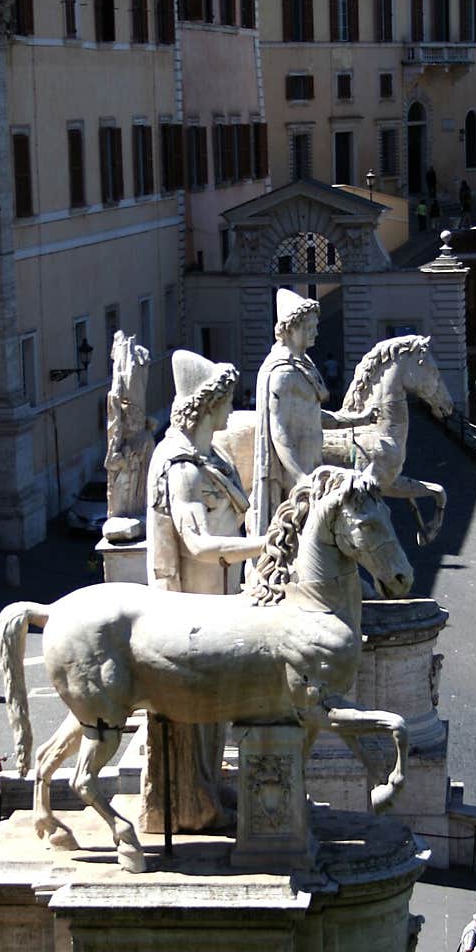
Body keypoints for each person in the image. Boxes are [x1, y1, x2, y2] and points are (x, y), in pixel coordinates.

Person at [142, 351, 265, 833]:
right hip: (193, 607)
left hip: (220, 600)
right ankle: (191, 799)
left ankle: (208, 787)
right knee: (200, 708)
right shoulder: (182, 468)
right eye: (226, 401)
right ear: (205, 405)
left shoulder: (212, 456)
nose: (230, 411)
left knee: (217, 707)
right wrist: (263, 544)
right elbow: (196, 543)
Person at [251, 289, 376, 536]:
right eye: (310, 327)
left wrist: (358, 419)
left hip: (311, 467)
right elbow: (279, 433)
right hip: (295, 477)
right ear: (291, 328)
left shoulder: (303, 364)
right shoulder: (282, 374)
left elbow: (313, 416)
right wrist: (301, 478)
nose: (316, 332)